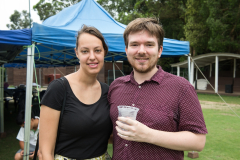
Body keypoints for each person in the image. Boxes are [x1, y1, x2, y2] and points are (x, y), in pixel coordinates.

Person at [108, 18, 208, 160]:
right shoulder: (115, 87)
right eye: (135, 44)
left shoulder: (181, 87)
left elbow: (198, 141)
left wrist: (148, 135)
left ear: (160, 50)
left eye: (149, 44)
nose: (141, 51)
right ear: (126, 50)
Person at [39, 25, 112, 160]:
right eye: (85, 51)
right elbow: (44, 153)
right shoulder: (58, 89)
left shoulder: (108, 91)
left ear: (104, 53)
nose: (92, 57)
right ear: (77, 53)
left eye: (97, 50)